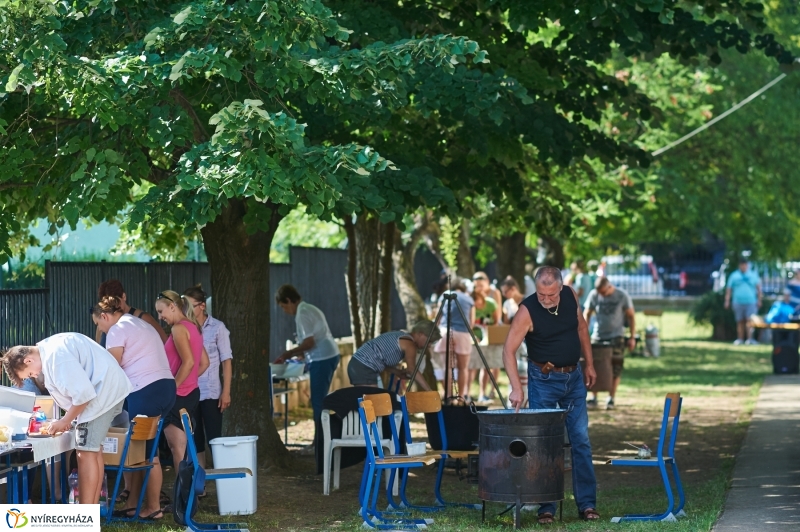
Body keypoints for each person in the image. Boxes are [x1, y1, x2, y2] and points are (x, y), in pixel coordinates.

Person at [502, 266, 599, 524]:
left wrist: (589, 364)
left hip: (574, 377)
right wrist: (516, 387)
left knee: (581, 440)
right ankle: (546, 506)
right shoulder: (527, 311)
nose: (546, 300)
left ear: (561, 287)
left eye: (551, 295)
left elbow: (581, 328)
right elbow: (508, 350)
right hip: (543, 380)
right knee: (546, 444)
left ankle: (587, 504)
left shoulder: (570, 295)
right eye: (541, 295)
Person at [2, 333, 132, 505]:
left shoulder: (56, 358)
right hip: (109, 390)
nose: (34, 376)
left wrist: (66, 421)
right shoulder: (50, 349)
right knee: (92, 452)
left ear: (28, 361)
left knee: (85, 453)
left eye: (29, 374)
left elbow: (83, 396)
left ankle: (85, 515)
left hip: (102, 395)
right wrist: (69, 419)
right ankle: (91, 513)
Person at [93, 296, 176, 520]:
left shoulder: (117, 330)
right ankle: (134, 505)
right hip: (165, 387)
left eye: (98, 324)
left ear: (104, 316)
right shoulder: (138, 322)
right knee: (143, 452)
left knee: (148, 455)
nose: (99, 329)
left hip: (145, 390)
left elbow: (112, 368)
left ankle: (153, 508)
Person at [275, 285, 340, 455]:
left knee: (318, 402)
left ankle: (320, 444)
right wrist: (301, 356)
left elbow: (309, 342)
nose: (284, 310)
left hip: (322, 358)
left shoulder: (302, 313)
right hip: (327, 355)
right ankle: (321, 441)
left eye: (283, 306)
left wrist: (289, 352)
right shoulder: (309, 308)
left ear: (289, 300)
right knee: (319, 400)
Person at [154, 290, 209, 470]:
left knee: (177, 450)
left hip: (178, 395)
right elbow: (204, 363)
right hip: (190, 393)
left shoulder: (179, 328)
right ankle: (188, 495)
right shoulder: (193, 326)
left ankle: (184, 496)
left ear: (172, 306)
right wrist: (189, 381)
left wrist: (174, 387)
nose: (160, 317)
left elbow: (190, 362)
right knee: (181, 449)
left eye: (161, 312)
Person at [183, 285, 233, 470]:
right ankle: (200, 481)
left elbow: (227, 360)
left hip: (211, 391)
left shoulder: (218, 328)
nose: (186, 311)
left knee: (214, 437)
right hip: (190, 390)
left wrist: (226, 391)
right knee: (195, 438)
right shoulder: (184, 329)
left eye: (190, 306)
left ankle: (222, 480)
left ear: (202, 306)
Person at [583, 277, 635, 410]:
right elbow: (587, 313)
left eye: (603, 292)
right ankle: (593, 397)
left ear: (609, 287)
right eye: (599, 292)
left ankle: (611, 398)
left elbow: (631, 315)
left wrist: (632, 337)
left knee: (615, 368)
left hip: (617, 337)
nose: (601, 295)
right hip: (598, 337)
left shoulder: (621, 295)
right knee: (594, 367)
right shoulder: (594, 295)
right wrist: (584, 334)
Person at [347, 320, 440, 391]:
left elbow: (380, 360)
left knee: (372, 403)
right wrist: (429, 390)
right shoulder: (409, 344)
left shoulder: (402, 335)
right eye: (429, 341)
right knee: (372, 404)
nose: (429, 345)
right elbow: (412, 369)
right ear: (420, 334)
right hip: (364, 366)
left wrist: (397, 372)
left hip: (359, 364)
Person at [433, 279, 475, 401]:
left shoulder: (445, 296)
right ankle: (461, 397)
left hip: (445, 332)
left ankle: (448, 397)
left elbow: (437, 318)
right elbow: (471, 322)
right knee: (463, 368)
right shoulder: (469, 299)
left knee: (447, 367)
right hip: (463, 334)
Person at [95, 279, 168, 346]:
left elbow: (166, 342)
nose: (113, 307)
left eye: (115, 302)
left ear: (124, 297)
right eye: (107, 304)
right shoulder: (102, 324)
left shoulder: (143, 318)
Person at [471, 272, 502, 402]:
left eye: (481, 283)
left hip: (491, 336)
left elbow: (497, 317)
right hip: (477, 337)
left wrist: (491, 333)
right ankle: (479, 393)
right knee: (480, 365)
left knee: (494, 364)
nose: (479, 287)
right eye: (477, 284)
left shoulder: (494, 295)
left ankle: (492, 391)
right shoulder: (472, 298)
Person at [724, 259, 762, 345]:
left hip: (751, 301)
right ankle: (740, 339)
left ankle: (750, 339)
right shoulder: (734, 276)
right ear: (739, 265)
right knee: (740, 321)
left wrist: (759, 300)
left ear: (747, 265)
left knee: (750, 321)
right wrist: (727, 301)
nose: (743, 266)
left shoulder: (753, 275)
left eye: (745, 265)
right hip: (737, 301)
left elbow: (759, 288)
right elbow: (729, 289)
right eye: (742, 265)